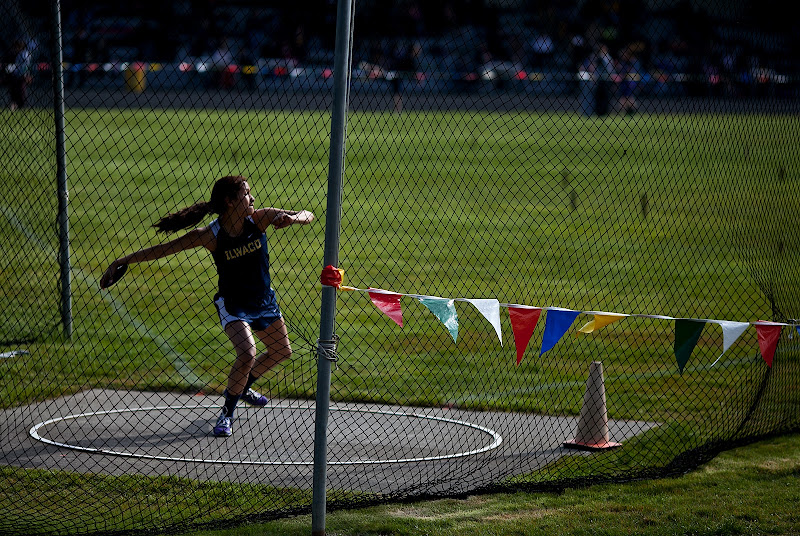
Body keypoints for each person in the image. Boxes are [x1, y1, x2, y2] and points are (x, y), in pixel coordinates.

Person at [100, 175, 315, 437]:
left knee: (282, 352)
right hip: (233, 304)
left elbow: (308, 213)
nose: (253, 198)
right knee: (247, 354)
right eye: (247, 194)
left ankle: (243, 387)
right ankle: (227, 412)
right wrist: (123, 261)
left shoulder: (258, 219)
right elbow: (164, 249)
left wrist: (294, 219)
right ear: (230, 201)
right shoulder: (211, 236)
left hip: (263, 300)